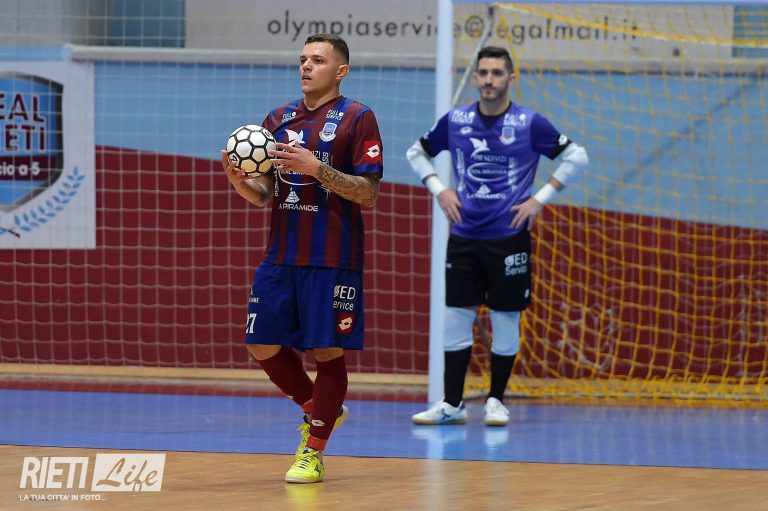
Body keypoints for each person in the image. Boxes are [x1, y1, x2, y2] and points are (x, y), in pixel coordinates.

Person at [220, 33, 383, 483]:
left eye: (317, 60)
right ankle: (322, 410)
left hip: (332, 256)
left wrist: (318, 169)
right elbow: (266, 194)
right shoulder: (277, 119)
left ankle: (313, 451)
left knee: (327, 351)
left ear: (341, 71)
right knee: (260, 342)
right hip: (281, 254)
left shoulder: (358, 117)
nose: (306, 66)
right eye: (303, 59)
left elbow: (368, 192)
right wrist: (238, 181)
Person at [406, 46, 588, 427]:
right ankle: (452, 404)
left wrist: (539, 200)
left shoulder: (529, 123)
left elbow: (577, 157)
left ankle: (496, 401)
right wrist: (440, 189)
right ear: (475, 78)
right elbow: (416, 153)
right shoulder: (456, 120)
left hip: (509, 238)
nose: (489, 80)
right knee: (456, 318)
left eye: (497, 73)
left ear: (511, 79)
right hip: (464, 235)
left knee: (506, 319)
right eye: (484, 72)